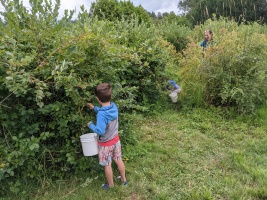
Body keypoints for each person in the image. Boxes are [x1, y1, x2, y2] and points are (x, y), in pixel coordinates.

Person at [87, 83, 127, 190]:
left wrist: (90, 125)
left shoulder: (101, 115)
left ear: (97, 98)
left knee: (107, 165)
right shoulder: (114, 107)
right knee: (119, 159)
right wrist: (94, 108)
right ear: (111, 96)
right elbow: (105, 112)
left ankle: (111, 185)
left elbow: (100, 131)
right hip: (116, 141)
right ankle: (124, 180)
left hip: (105, 145)